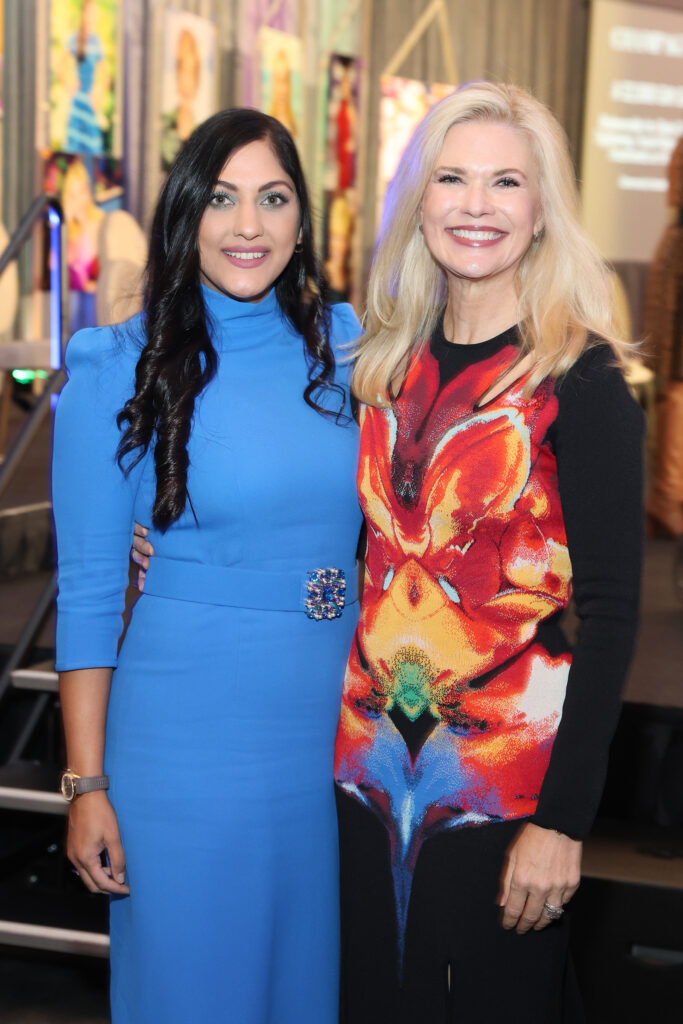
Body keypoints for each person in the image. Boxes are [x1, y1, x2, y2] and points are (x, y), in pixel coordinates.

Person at [334, 81, 643, 1023]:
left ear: (541, 207)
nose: (476, 206)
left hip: (502, 790)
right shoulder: (379, 363)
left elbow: (614, 611)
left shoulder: (578, 378)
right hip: (357, 779)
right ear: (417, 201)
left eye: (505, 182)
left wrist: (562, 824)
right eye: (452, 179)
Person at [52, 109, 362, 1024]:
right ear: (186, 214)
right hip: (185, 742)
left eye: (273, 199)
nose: (249, 227)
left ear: (305, 219)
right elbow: (89, 594)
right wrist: (85, 785)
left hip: (327, 741)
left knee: (307, 993)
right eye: (221, 200)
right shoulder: (118, 366)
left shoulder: (351, 349)